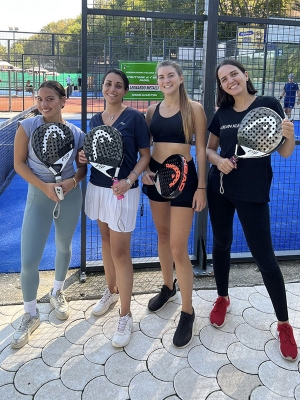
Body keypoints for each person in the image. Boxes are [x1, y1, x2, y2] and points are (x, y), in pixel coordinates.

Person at [206, 59, 298, 361]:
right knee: (221, 244)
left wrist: (290, 134)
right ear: (221, 86)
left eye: (234, 74)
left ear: (245, 75)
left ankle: (284, 324)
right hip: (220, 188)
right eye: (224, 79)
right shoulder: (222, 114)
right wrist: (218, 161)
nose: (230, 80)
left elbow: (283, 152)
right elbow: (209, 149)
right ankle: (222, 298)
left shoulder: (268, 104)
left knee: (265, 258)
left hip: (252, 193)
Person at [12, 80, 87, 349]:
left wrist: (73, 182)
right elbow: (18, 164)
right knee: (29, 259)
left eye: (51, 99)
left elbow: (81, 169)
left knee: (63, 246)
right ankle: (30, 314)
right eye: (40, 99)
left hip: (70, 197)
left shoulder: (77, 133)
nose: (44, 104)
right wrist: (44, 186)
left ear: (63, 100)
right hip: (39, 197)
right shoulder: (28, 126)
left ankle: (57, 292)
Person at [79, 68, 150, 348]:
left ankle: (126, 314)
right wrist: (83, 156)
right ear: (103, 86)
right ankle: (110, 292)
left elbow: (145, 156)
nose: (112, 89)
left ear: (125, 90)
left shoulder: (135, 118)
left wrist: (131, 179)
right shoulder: (96, 119)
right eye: (108, 83)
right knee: (106, 242)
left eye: (118, 85)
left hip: (123, 191)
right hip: (97, 188)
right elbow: (90, 154)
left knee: (120, 252)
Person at [141, 60, 207, 348]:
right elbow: (145, 148)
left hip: (184, 181)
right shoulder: (152, 110)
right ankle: (169, 287)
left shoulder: (195, 109)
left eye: (170, 76)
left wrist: (202, 186)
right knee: (163, 237)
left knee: (179, 246)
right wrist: (143, 170)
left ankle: (188, 311)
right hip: (156, 179)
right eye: (161, 77)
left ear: (181, 78)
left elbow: (202, 149)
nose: (165, 80)